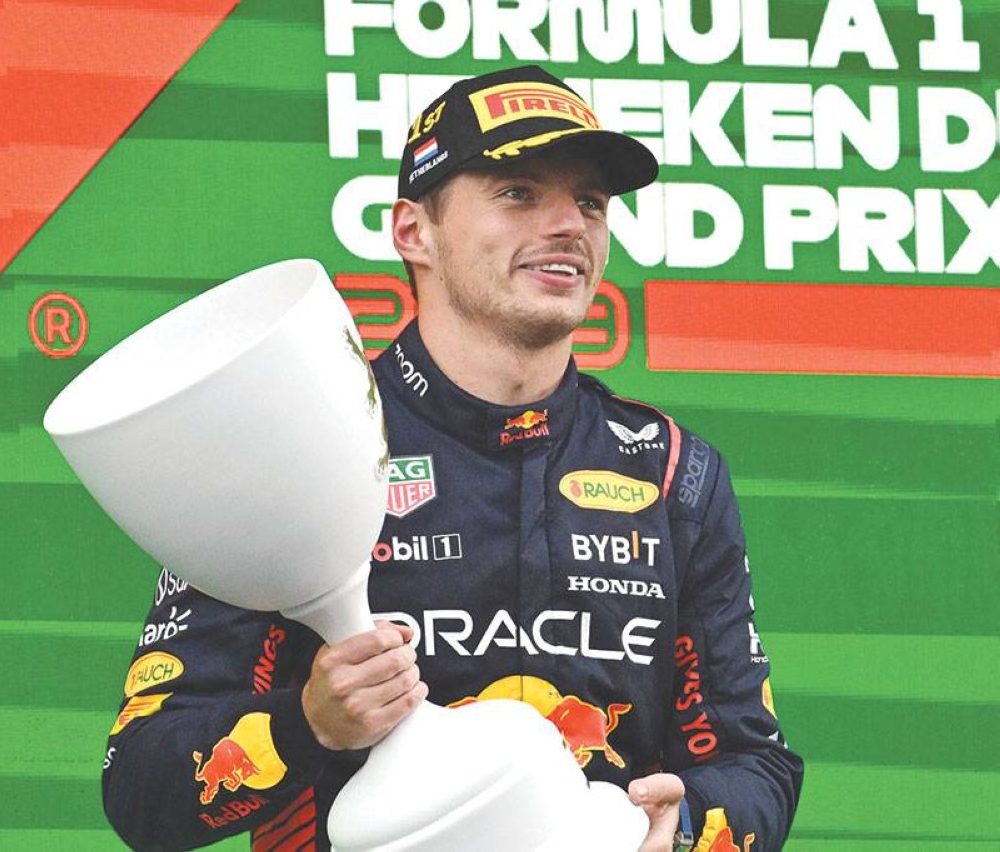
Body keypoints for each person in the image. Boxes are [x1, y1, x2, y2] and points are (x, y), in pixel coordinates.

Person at [103, 65, 803, 851]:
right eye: (519, 193)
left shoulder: (673, 472)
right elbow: (141, 789)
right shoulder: (295, 439)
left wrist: (687, 828)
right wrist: (307, 725)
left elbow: (755, 764)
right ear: (413, 231)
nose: (569, 223)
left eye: (591, 202)